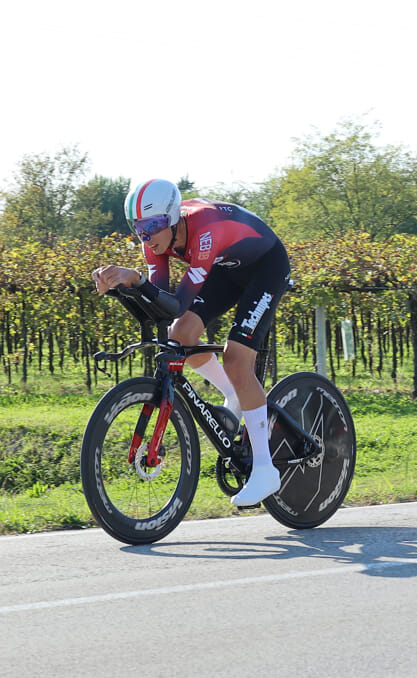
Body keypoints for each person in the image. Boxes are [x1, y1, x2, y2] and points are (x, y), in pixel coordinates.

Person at [91, 178, 292, 506]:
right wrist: (118, 287)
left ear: (171, 217)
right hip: (226, 268)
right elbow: (159, 305)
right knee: (179, 337)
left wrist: (136, 279)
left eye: (153, 226)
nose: (146, 236)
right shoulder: (154, 242)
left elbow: (176, 303)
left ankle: (266, 469)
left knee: (237, 359)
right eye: (138, 228)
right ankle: (233, 394)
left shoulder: (205, 230)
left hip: (266, 267)